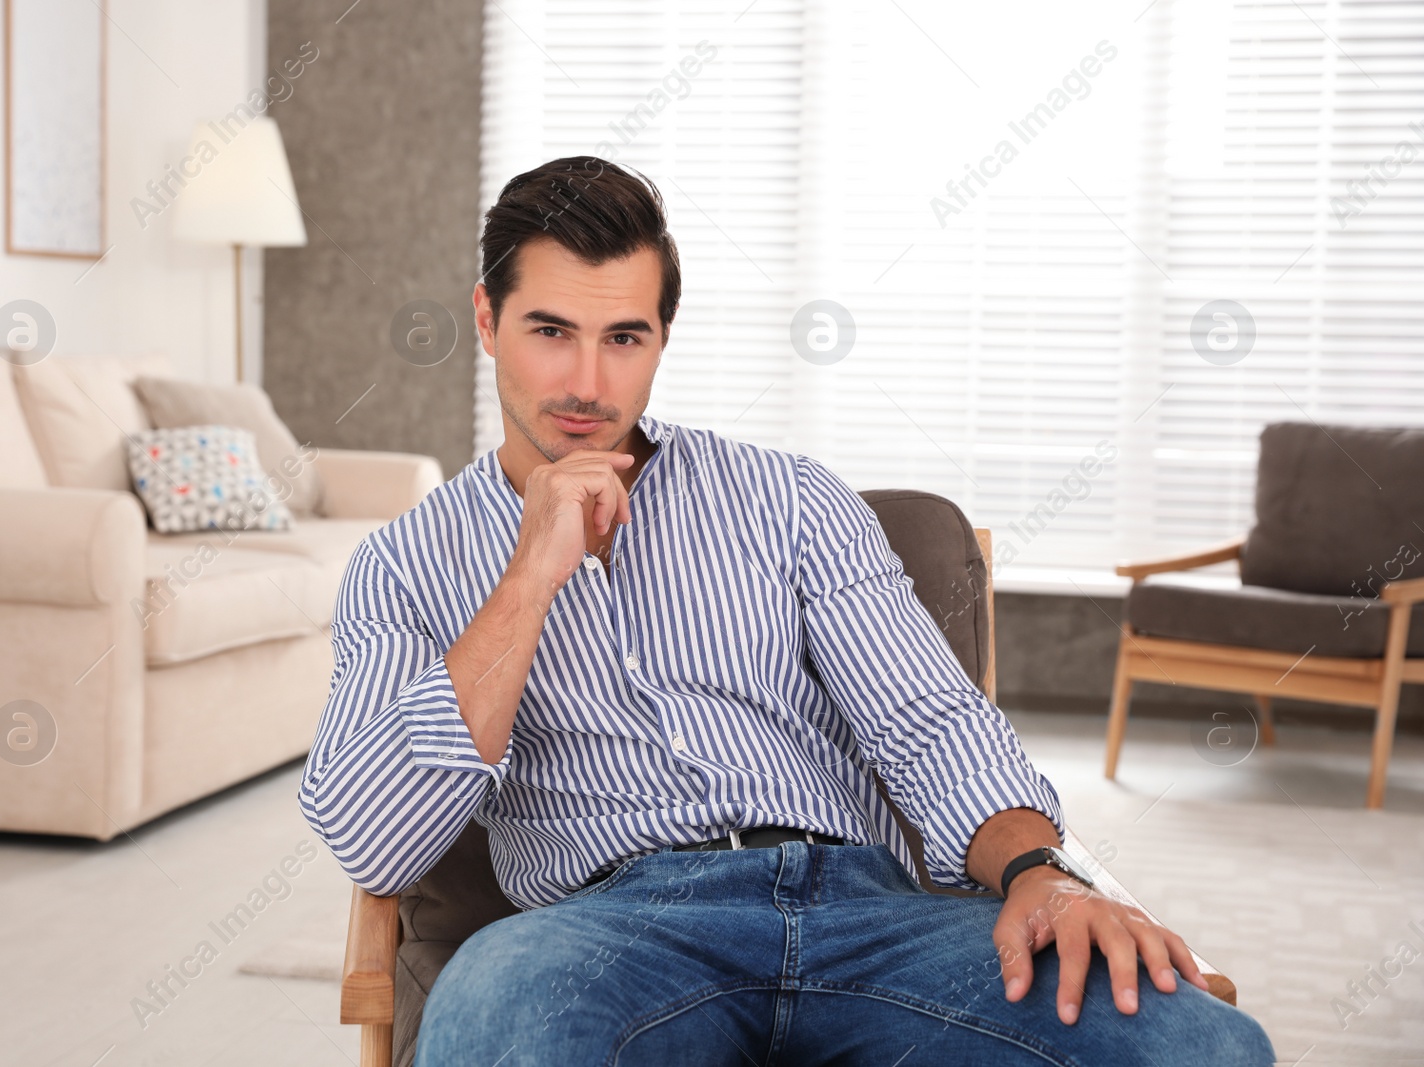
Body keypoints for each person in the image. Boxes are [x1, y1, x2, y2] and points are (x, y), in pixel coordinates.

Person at [299, 156, 1276, 1065]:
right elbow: (378, 839)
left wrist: (1039, 869)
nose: (588, 383)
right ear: (484, 318)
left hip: (868, 912)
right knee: (495, 1024)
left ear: (661, 340)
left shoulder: (790, 499)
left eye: (624, 337)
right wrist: (528, 576)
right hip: (599, 935)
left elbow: (928, 721)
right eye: (550, 331)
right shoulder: (403, 564)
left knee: (1200, 1043)